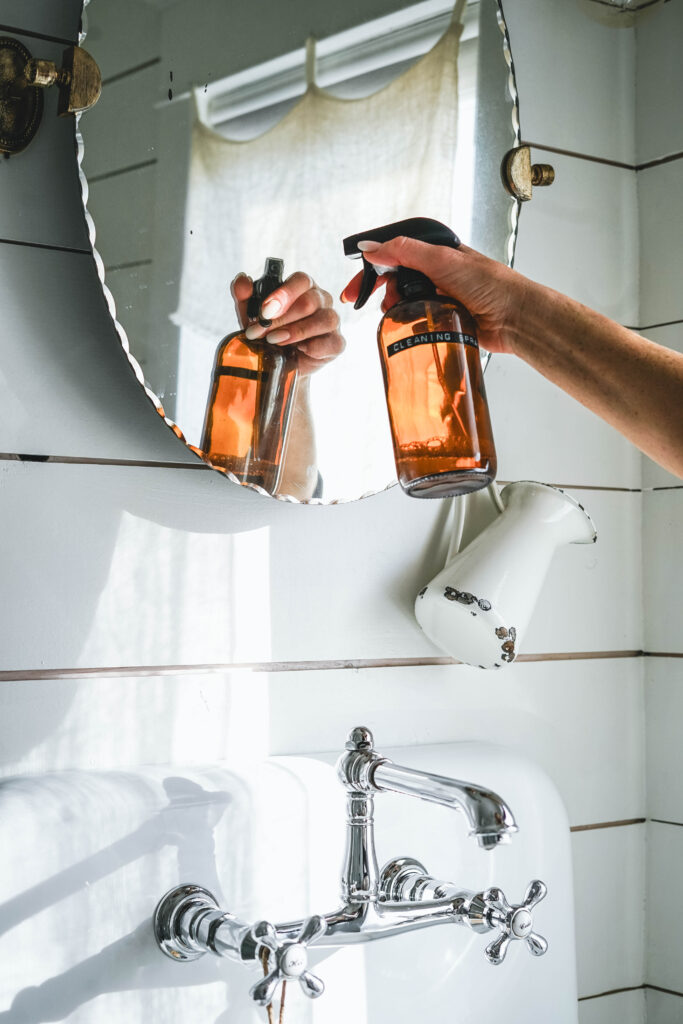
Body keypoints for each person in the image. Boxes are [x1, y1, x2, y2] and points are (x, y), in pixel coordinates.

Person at [232, 239, 683, 480]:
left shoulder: (429, 318)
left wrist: (514, 312)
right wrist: (285, 374)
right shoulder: (423, 320)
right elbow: (283, 487)